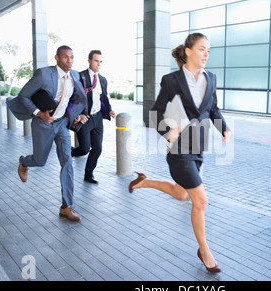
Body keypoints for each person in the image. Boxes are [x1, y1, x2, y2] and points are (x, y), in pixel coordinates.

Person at [128, 33, 232, 273]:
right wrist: (168, 132)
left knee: (180, 194)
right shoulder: (172, 80)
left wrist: (223, 128)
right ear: (188, 51)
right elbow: (155, 112)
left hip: (198, 147)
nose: (206, 54)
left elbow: (213, 108)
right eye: (201, 49)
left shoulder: (212, 78)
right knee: (201, 201)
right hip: (178, 149)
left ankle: (144, 182)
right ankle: (204, 251)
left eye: (208, 50)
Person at [7, 45, 87, 222]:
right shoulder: (43, 74)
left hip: (62, 125)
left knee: (67, 162)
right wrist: (40, 114)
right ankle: (24, 161)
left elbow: (75, 99)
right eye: (66, 57)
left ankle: (66, 206)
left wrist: (76, 116)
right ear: (57, 58)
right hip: (43, 124)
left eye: (72, 57)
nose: (70, 61)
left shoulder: (74, 76)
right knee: (40, 160)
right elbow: (23, 96)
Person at [71, 50, 115, 184]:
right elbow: (72, 98)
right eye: (96, 61)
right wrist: (77, 115)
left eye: (101, 61)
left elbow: (104, 97)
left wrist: (110, 110)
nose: (99, 64)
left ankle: (88, 175)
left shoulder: (102, 79)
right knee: (84, 149)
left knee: (97, 148)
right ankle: (67, 150)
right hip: (85, 119)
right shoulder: (80, 76)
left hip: (97, 119)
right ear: (89, 60)